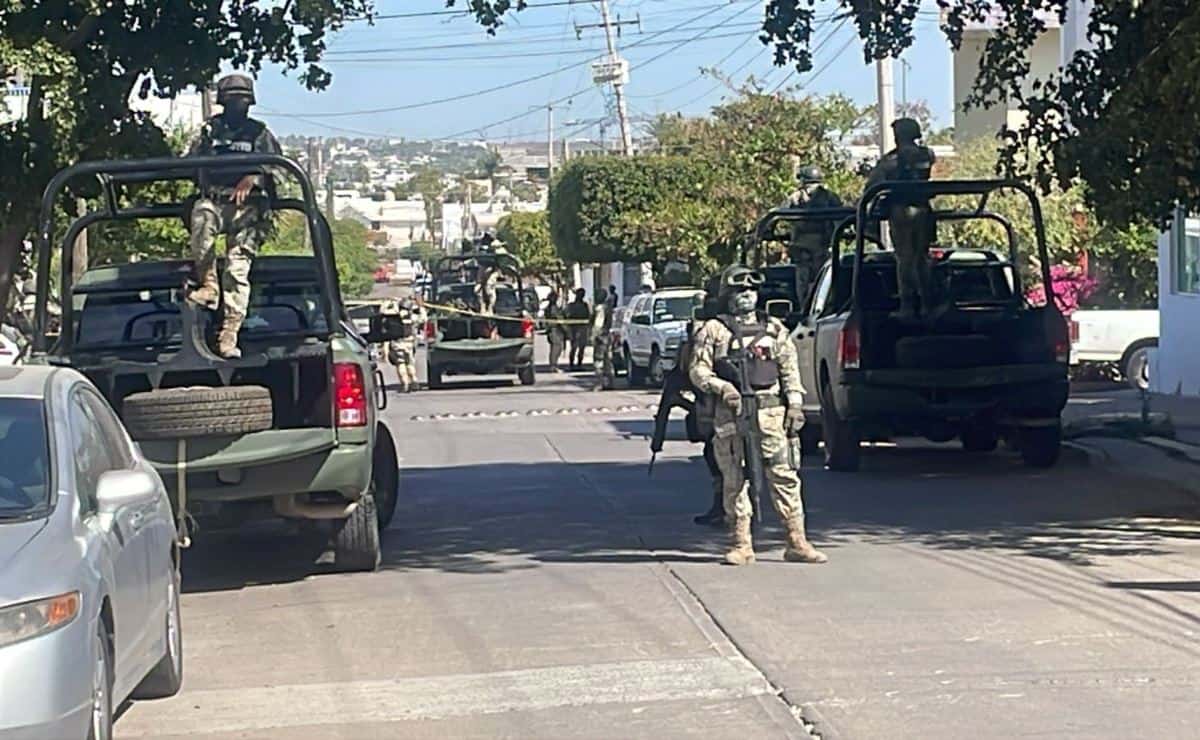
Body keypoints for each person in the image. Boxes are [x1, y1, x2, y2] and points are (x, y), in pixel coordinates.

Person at [689, 265, 827, 566]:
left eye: (750, 290)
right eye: (739, 291)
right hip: (732, 415)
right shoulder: (713, 330)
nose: (745, 296)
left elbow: (789, 370)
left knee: (785, 476)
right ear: (728, 295)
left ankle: (796, 541)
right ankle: (741, 543)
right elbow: (698, 371)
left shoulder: (774, 329)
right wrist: (723, 388)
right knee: (735, 480)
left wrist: (795, 405)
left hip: (772, 414)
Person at [187, 72, 282, 358]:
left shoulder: (260, 133)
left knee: (237, 270)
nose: (237, 105)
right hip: (214, 200)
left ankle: (229, 333)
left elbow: (279, 168)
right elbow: (188, 162)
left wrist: (254, 176)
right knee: (201, 221)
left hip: (249, 208)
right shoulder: (209, 131)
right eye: (232, 99)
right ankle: (208, 285)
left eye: (242, 99)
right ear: (222, 102)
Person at [866, 117, 937, 319]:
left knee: (905, 258)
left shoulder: (892, 160)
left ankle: (908, 305)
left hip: (901, 211)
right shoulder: (926, 154)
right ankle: (927, 303)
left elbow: (873, 183)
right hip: (923, 209)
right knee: (922, 257)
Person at [383, 299, 419, 392]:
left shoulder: (395, 316)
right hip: (409, 343)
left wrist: (388, 303)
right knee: (410, 363)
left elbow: (383, 312)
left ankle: (405, 383)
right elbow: (423, 318)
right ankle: (414, 381)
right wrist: (420, 307)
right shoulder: (412, 317)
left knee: (401, 364)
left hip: (398, 343)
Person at [590, 288, 614, 390]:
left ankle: (599, 383)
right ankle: (609, 383)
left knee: (598, 361)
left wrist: (593, 336)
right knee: (608, 361)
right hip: (607, 337)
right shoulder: (608, 308)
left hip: (600, 338)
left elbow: (597, 325)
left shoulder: (599, 309)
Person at [565, 288, 590, 371]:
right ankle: (571, 364)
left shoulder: (585, 305)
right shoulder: (571, 305)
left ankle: (579, 364)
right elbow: (567, 316)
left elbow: (588, 316)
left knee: (582, 347)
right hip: (574, 328)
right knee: (574, 347)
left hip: (583, 328)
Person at [544, 290, 567, 372]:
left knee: (555, 348)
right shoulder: (553, 308)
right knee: (557, 348)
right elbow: (559, 319)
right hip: (555, 330)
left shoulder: (550, 307)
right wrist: (566, 329)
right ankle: (554, 366)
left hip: (554, 330)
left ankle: (553, 365)